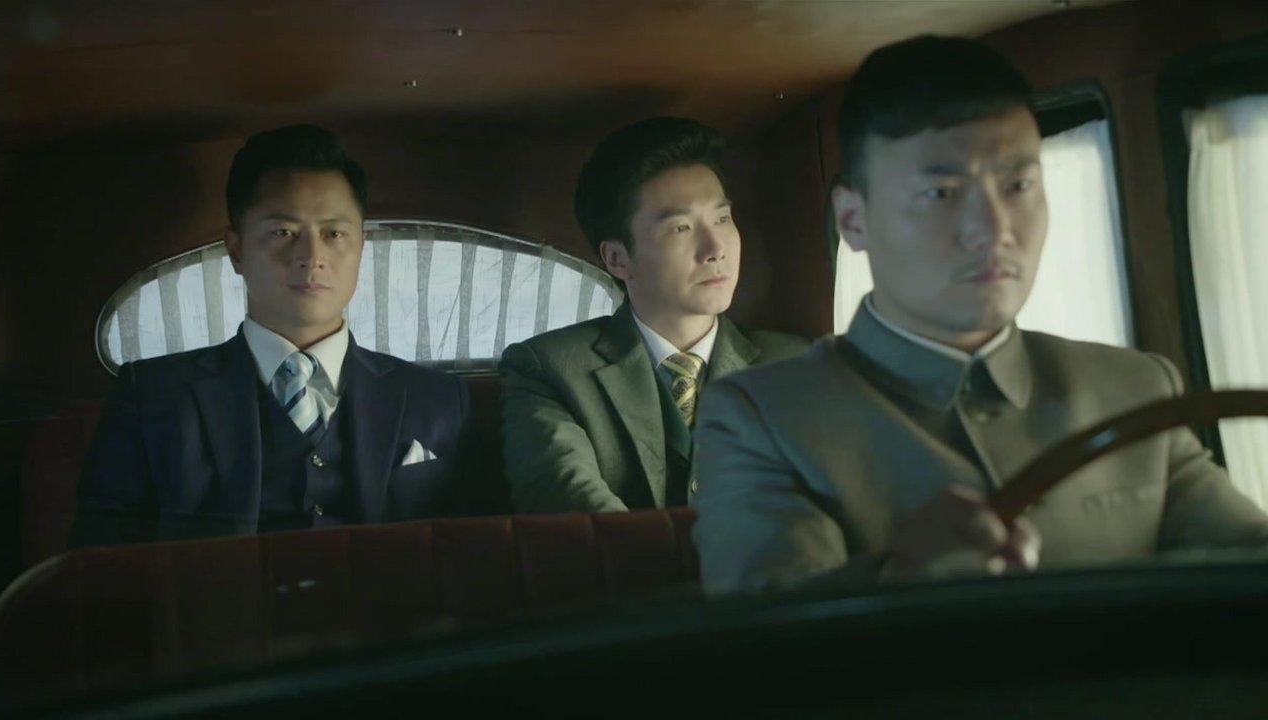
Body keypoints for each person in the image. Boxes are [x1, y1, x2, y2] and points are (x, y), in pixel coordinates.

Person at [692, 36, 1268, 594]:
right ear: (853, 220)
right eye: (942, 193)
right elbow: (766, 636)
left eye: (1018, 184)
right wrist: (899, 582)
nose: (993, 230)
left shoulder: (1135, 389)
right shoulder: (762, 419)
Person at [72, 124, 470, 546]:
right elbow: (99, 564)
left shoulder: (439, 399)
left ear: (360, 246)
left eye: (334, 234)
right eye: (283, 233)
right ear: (237, 250)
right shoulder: (150, 397)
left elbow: (469, 558)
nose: (311, 257)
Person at [501, 117, 808, 513]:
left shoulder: (798, 366)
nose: (715, 249)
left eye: (722, 219)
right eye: (681, 228)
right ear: (618, 258)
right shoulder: (550, 370)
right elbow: (572, 507)